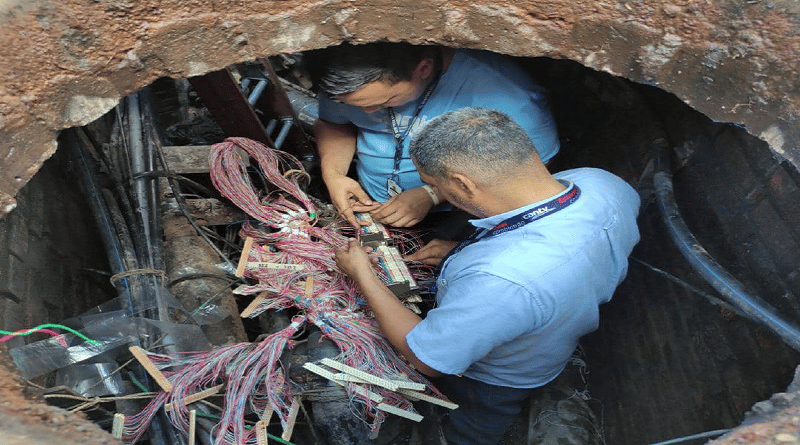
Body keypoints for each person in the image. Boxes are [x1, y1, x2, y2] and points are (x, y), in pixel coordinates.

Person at [335, 107, 641, 444]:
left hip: (498, 380)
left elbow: (427, 360)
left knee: (474, 425)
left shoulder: (502, 280)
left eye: (433, 186)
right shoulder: (601, 182)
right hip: (550, 332)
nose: (434, 192)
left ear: (463, 184)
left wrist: (362, 274)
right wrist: (462, 251)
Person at [304, 42, 560, 230]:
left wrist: (433, 194)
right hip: (368, 200)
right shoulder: (345, 83)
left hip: (457, 213)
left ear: (423, 69)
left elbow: (532, 173)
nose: (366, 112)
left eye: (385, 102)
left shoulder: (509, 97)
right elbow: (335, 124)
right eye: (354, 105)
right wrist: (334, 175)